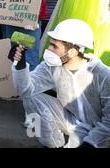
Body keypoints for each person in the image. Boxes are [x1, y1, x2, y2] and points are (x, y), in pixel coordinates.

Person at [9, 19, 110, 148]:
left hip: (99, 129)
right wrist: (20, 65)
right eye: (50, 44)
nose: (49, 49)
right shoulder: (51, 67)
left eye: (54, 46)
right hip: (71, 121)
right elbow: (25, 90)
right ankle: (52, 144)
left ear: (72, 51)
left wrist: (91, 143)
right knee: (31, 98)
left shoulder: (102, 75)